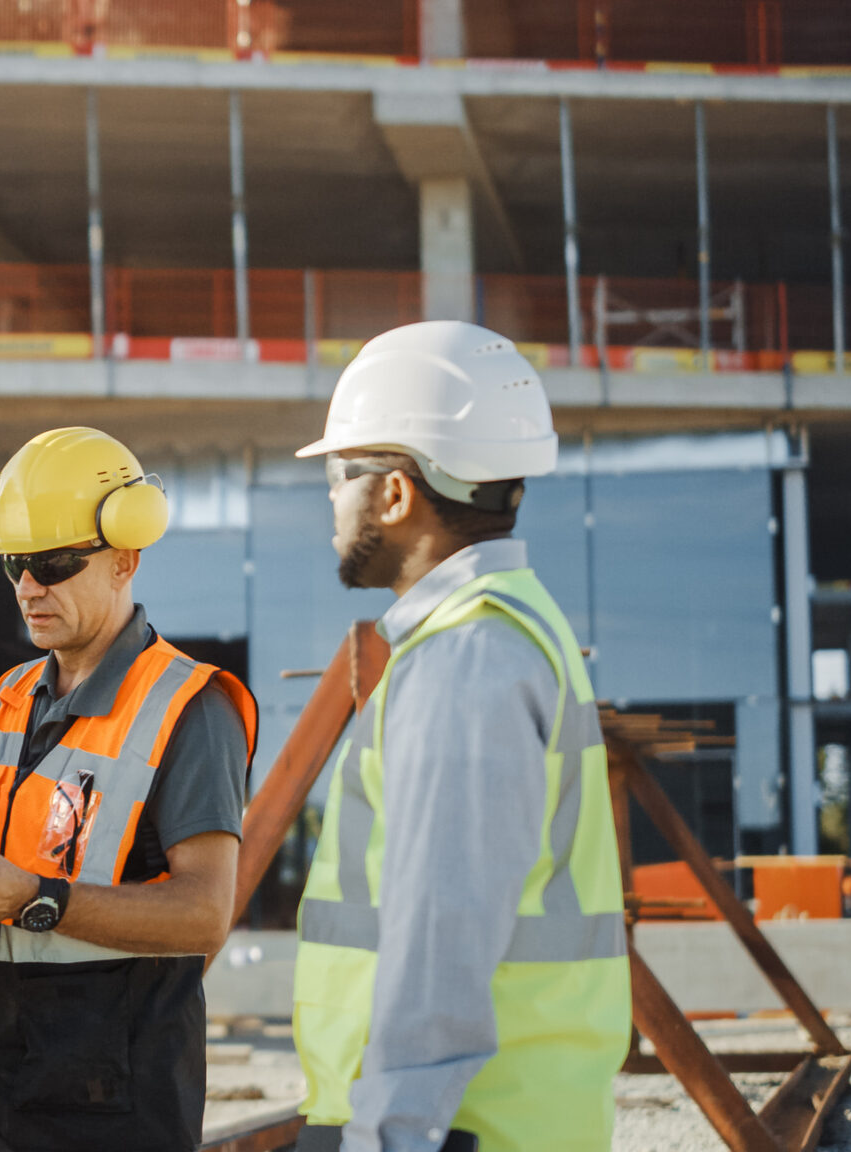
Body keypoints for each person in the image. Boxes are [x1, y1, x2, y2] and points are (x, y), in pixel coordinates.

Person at [287, 321, 630, 1152]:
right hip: (504, 1121)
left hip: (456, 1131)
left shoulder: (465, 659)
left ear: (397, 494)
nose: (333, 498)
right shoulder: (512, 627)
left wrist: (388, 1135)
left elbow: (441, 935)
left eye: (342, 473)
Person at [0, 426, 257, 1152]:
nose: (29, 587)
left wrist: (36, 900)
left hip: (114, 1105)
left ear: (126, 559)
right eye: (16, 565)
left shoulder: (190, 709)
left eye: (53, 564)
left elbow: (205, 914)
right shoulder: (4, 700)